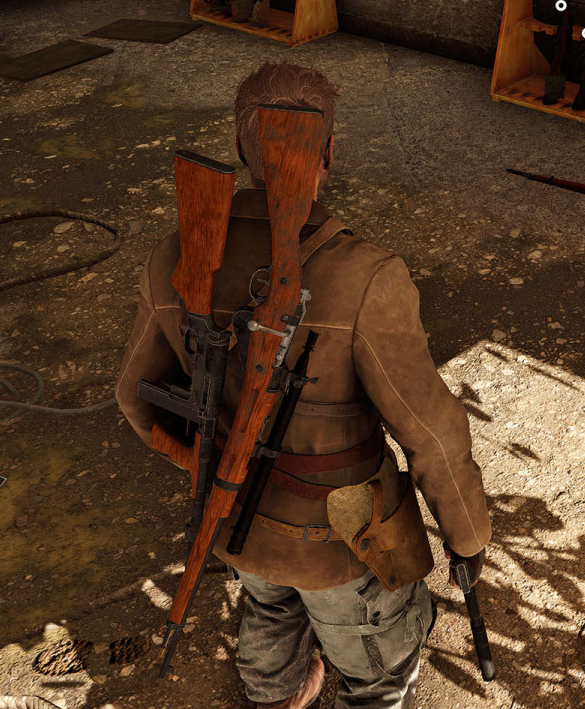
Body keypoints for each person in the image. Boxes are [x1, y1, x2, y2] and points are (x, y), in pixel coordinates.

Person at [116, 62, 492, 709]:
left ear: (242, 150)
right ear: (329, 154)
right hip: (343, 547)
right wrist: (467, 536)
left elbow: (136, 396)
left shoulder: (175, 255)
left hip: (233, 521)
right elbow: (431, 432)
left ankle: (273, 695)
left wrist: (206, 465)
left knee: (266, 604)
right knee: (377, 672)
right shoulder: (367, 275)